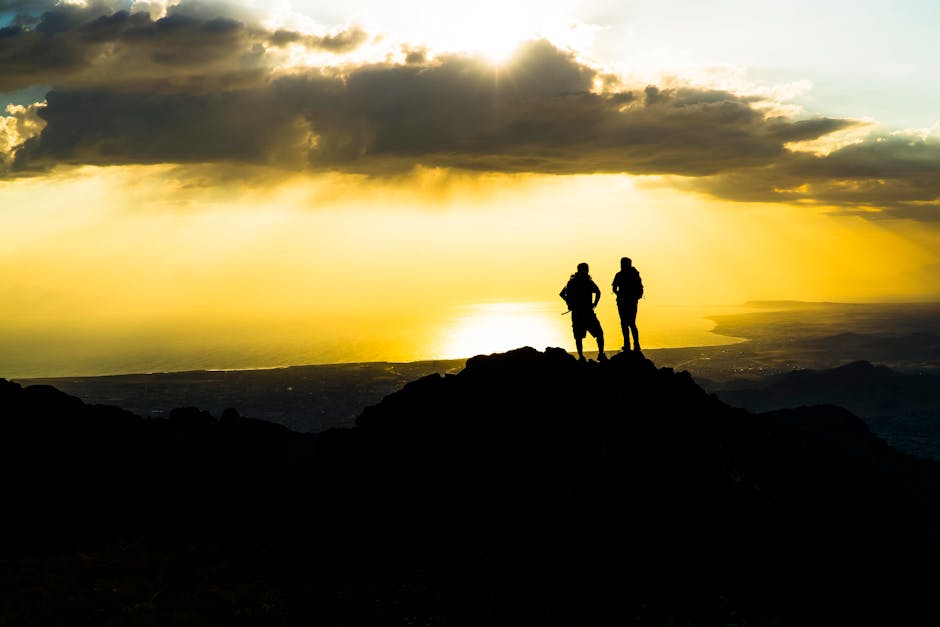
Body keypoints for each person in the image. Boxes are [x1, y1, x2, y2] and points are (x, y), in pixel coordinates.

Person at [560, 262, 606, 361]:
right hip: (586, 313)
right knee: (597, 334)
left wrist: (570, 303)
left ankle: (582, 356)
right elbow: (598, 292)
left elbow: (562, 294)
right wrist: (594, 304)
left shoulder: (572, 282)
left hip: (578, 313)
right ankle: (600, 354)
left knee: (579, 336)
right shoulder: (587, 282)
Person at [611, 256, 643, 351]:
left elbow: (614, 288)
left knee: (626, 323)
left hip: (625, 302)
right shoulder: (633, 274)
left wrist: (619, 294)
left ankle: (629, 345)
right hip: (630, 301)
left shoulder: (621, 275)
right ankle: (634, 345)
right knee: (630, 323)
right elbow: (614, 287)